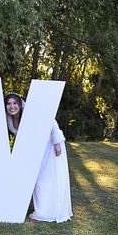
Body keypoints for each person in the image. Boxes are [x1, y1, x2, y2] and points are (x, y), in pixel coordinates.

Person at [4, 93, 72, 222]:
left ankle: (51, 211)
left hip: (48, 144)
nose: (12, 106)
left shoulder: (29, 110)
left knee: (49, 178)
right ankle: (42, 210)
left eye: (14, 103)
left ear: (20, 104)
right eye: (9, 104)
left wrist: (57, 142)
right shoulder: (8, 118)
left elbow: (50, 120)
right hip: (33, 150)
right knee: (38, 181)